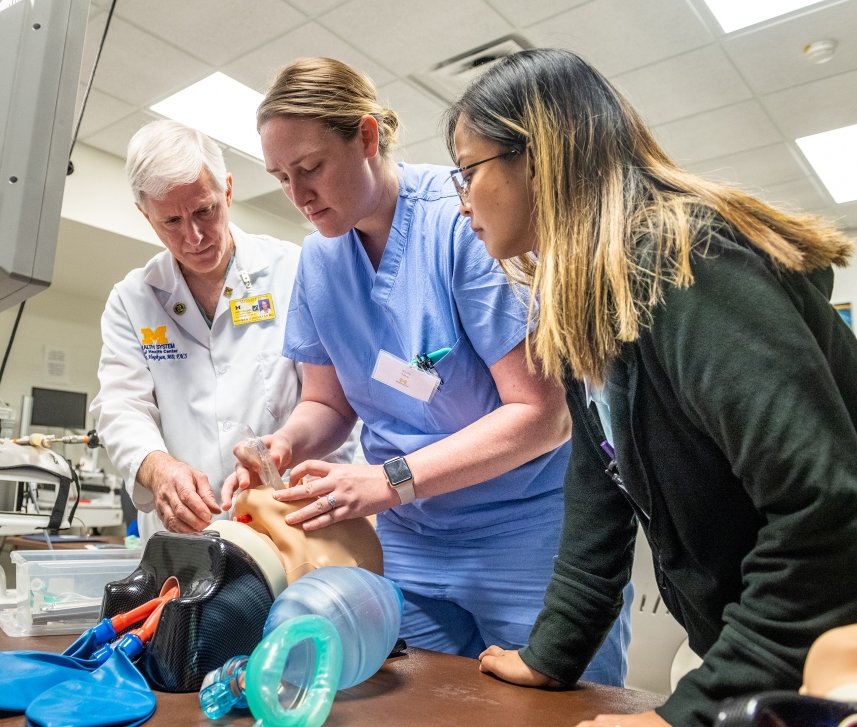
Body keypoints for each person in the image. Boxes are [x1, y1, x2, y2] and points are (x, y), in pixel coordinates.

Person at [443, 48, 857, 727]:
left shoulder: (686, 264)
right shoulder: (590, 303)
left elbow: (827, 517)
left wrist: (685, 716)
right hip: (767, 642)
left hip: (848, 653)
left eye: (467, 169)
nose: (462, 198)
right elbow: (598, 494)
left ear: (538, 157)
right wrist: (552, 653)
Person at [222, 57, 631, 686]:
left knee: (557, 710)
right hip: (414, 541)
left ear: (365, 137)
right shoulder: (320, 261)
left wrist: (390, 479)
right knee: (407, 700)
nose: (298, 195)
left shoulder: (466, 219)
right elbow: (328, 403)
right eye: (281, 178)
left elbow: (544, 416)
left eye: (310, 169)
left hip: (527, 535)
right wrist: (284, 444)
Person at [90, 119, 356, 541]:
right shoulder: (132, 300)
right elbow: (121, 407)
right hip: (185, 534)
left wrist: (284, 452)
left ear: (228, 190)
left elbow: (329, 403)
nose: (193, 236)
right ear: (145, 215)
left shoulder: (295, 271)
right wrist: (159, 468)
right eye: (171, 222)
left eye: (204, 211)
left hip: (289, 522)